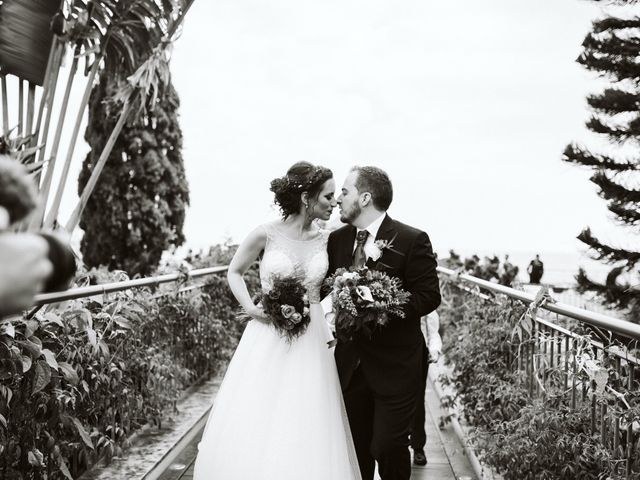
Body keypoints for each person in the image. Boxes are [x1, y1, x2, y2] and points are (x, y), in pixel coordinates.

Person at [193, 162, 361, 480]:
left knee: (306, 413)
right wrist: (252, 309)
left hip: (312, 337)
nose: (333, 203)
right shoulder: (265, 233)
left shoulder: (328, 238)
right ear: (305, 198)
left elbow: (338, 278)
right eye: (327, 196)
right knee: (259, 411)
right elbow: (234, 272)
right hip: (268, 335)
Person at [326, 166, 441, 480]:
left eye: (345, 192)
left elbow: (429, 297)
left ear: (364, 198)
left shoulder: (411, 238)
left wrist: (382, 305)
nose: (338, 199)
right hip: (351, 366)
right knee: (357, 453)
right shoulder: (337, 240)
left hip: (396, 366)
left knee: (388, 448)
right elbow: (325, 290)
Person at [410, 310, 442, 466]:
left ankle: (418, 446)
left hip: (419, 354)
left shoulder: (423, 301)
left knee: (417, 400)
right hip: (394, 353)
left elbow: (433, 332)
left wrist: (434, 349)